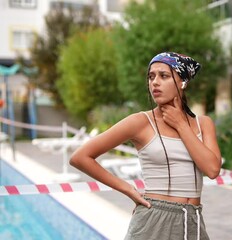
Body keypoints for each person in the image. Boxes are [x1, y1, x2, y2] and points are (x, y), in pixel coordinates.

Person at [70, 52, 222, 240]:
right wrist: (128, 189)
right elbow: (80, 157)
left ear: (183, 82)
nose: (155, 82)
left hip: (192, 221)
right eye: (151, 77)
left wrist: (181, 125)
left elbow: (212, 169)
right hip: (153, 220)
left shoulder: (203, 124)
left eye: (164, 76)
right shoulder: (141, 122)